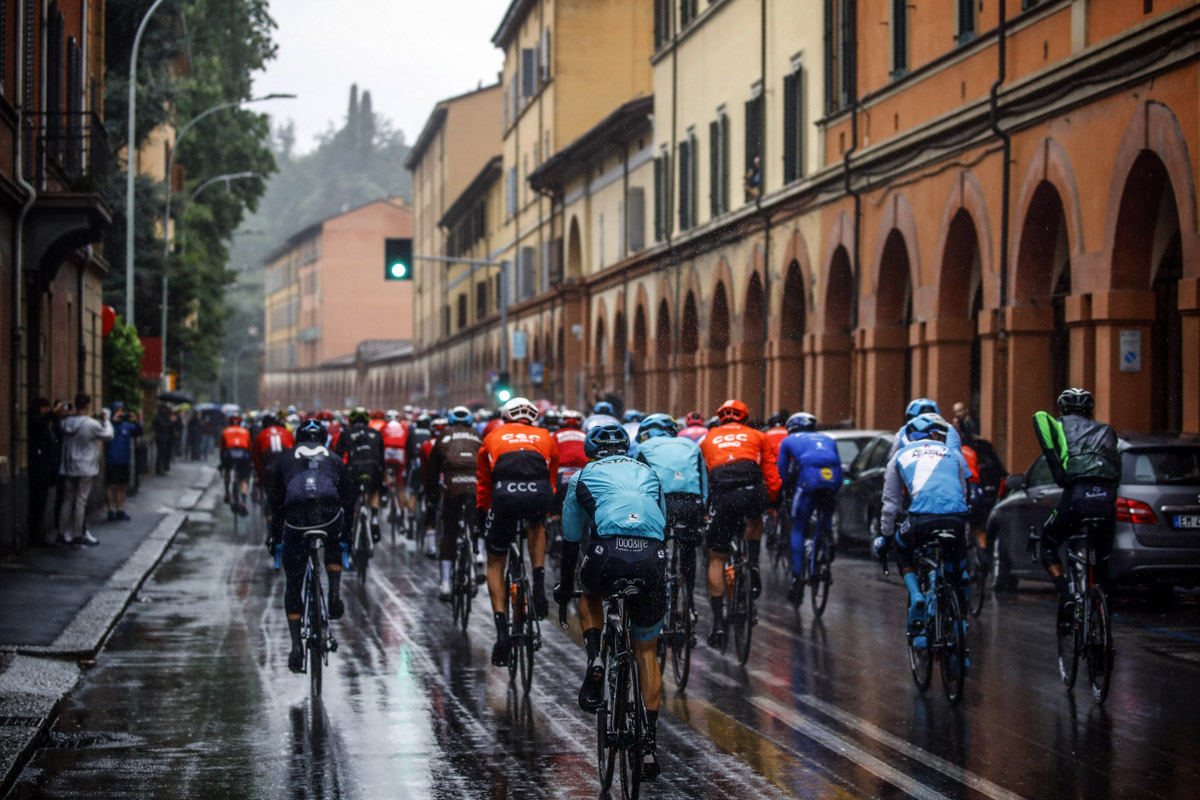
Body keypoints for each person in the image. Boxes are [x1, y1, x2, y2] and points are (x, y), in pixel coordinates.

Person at [554, 423, 667, 781]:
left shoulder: (582, 476)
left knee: (590, 593)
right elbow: (662, 521)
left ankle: (596, 658)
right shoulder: (647, 472)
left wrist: (563, 585)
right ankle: (648, 745)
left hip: (608, 554)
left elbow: (570, 540)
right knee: (646, 651)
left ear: (592, 452)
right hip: (652, 556)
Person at [264, 419, 356, 673]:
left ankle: (296, 647)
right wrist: (347, 533)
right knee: (335, 542)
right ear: (324, 439)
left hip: (297, 517)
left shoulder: (285, 458)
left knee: (293, 583)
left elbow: (275, 504)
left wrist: (275, 537)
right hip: (327, 511)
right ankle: (334, 593)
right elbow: (349, 496)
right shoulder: (334, 458)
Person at [873, 414, 970, 646]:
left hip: (921, 520)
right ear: (936, 434)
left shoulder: (899, 455)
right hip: (955, 519)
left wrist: (886, 535)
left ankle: (917, 595)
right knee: (954, 573)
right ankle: (960, 638)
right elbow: (962, 494)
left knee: (901, 546)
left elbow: (890, 503)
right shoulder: (953, 453)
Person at [477, 396, 559, 666]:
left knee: (495, 563)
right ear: (532, 418)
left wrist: (482, 514)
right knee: (536, 526)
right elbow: (552, 476)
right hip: (538, 494)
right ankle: (538, 588)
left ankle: (502, 635)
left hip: (504, 498)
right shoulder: (546, 436)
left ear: (505, 418)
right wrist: (547, 504)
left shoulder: (492, 436)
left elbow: (484, 484)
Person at [1030, 388, 1119, 624]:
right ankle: (1103, 613)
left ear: (1062, 409)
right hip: (1107, 499)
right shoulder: (1106, 430)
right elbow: (1116, 471)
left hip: (1077, 497)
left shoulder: (1056, 425)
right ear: (1090, 411)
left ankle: (1066, 594)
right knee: (1101, 560)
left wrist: (1063, 475)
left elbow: (1057, 467)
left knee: (1048, 544)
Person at [699, 399, 781, 648]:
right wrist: (773, 500)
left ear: (720, 418)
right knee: (755, 516)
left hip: (724, 494)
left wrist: (704, 510)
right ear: (745, 419)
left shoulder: (707, 439)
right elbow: (771, 473)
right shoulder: (757, 435)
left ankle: (718, 623)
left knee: (717, 556)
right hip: (752, 489)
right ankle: (753, 563)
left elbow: (703, 479)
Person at [635, 413, 706, 598]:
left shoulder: (643, 447)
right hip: (691, 503)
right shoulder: (691, 445)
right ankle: (689, 600)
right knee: (688, 549)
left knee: (655, 545)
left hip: (661, 504)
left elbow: (636, 485)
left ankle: (655, 591)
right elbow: (703, 484)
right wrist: (702, 510)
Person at [776, 412, 844, 603]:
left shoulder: (789, 440)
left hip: (810, 477)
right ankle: (827, 536)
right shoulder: (828, 439)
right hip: (833, 475)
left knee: (798, 525)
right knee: (826, 509)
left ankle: (797, 577)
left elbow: (781, 472)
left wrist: (778, 495)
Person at [424, 407, 483, 600]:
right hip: (474, 485)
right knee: (476, 521)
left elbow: (432, 469)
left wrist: (432, 496)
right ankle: (478, 554)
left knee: (449, 531)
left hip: (452, 486)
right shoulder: (476, 436)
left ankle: (446, 583)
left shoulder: (444, 435)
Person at [58, 393, 113, 546]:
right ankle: (77, 534)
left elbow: (67, 424)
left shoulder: (66, 422)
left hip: (69, 465)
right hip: (85, 467)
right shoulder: (90, 424)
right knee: (80, 501)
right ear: (88, 405)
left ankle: (62, 533)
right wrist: (107, 421)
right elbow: (108, 435)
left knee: (67, 499)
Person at [335, 407, 386, 543]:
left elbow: (338, 457)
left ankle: (350, 529)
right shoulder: (376, 433)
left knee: (349, 502)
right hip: (373, 469)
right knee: (374, 491)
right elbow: (381, 459)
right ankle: (374, 517)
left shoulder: (346, 433)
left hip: (354, 470)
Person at [28, 397, 63, 543]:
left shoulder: (49, 426)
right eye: (45, 409)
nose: (47, 411)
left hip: (47, 469)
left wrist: (56, 417)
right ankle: (34, 535)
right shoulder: (37, 421)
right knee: (37, 502)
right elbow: (37, 424)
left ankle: (38, 534)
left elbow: (58, 438)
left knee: (42, 503)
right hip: (38, 469)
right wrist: (53, 412)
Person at [104, 404, 143, 521]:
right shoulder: (109, 425)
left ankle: (120, 509)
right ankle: (110, 509)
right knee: (111, 485)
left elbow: (139, 432)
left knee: (122, 485)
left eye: (121, 410)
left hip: (124, 460)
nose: (120, 413)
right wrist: (112, 421)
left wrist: (136, 421)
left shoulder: (127, 426)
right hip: (112, 460)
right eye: (117, 410)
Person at [220, 414, 254, 516]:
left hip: (229, 454)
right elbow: (249, 447)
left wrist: (222, 463)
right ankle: (244, 502)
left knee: (227, 470)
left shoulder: (225, 431)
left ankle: (227, 493)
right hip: (243, 455)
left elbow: (222, 448)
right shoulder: (246, 431)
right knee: (243, 479)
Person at [153, 404, 174, 475]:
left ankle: (161, 469)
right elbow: (164, 426)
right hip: (160, 438)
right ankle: (158, 470)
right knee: (160, 454)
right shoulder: (158, 417)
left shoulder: (164, 416)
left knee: (163, 454)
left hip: (164, 438)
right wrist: (170, 421)